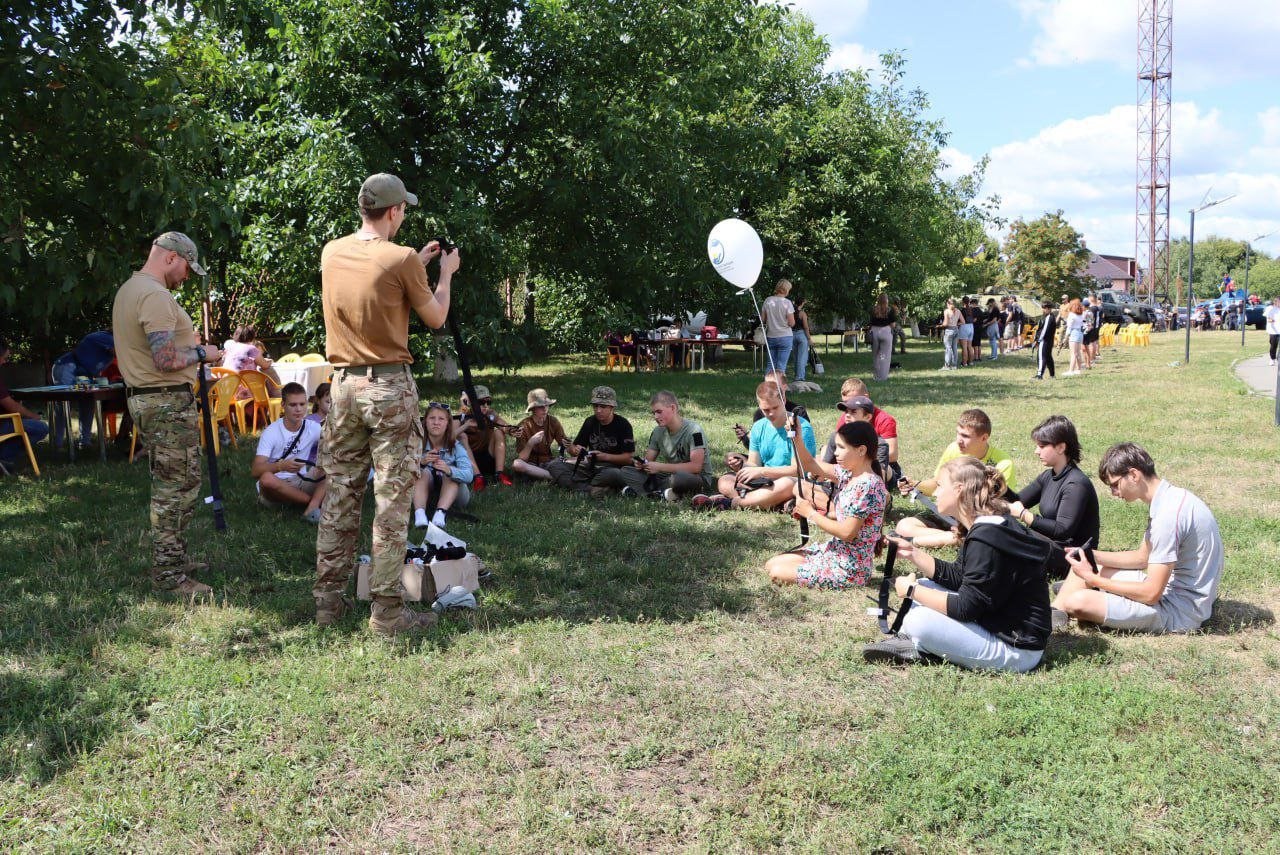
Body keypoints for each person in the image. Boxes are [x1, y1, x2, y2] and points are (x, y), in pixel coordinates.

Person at [313, 172, 459, 635]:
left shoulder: (333, 251)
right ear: (394, 211)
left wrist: (411, 263)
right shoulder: (400, 261)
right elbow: (435, 317)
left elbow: (371, 287)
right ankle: (387, 614)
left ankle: (327, 605)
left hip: (342, 389)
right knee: (391, 502)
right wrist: (443, 274)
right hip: (389, 390)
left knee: (340, 496)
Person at [110, 232, 223, 596]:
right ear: (172, 257)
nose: (187, 276)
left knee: (180, 483)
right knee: (173, 490)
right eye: (188, 267)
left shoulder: (131, 288)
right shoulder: (155, 296)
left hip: (154, 401)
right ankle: (169, 576)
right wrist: (204, 353)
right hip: (165, 404)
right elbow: (165, 360)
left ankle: (174, 559)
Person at [862, 457, 1052, 671]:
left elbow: (965, 607)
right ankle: (924, 644)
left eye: (940, 486)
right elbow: (960, 578)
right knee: (924, 589)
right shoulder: (988, 523)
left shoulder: (986, 538)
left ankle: (923, 644)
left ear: (959, 489)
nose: (934, 493)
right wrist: (913, 554)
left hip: (1016, 650)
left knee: (918, 619)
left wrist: (911, 591)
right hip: (998, 625)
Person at [1053, 443, 1223, 635]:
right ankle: (1056, 612)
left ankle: (1075, 596)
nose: (1114, 493)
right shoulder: (1171, 498)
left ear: (1134, 475)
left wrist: (1093, 579)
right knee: (1087, 563)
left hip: (1178, 612)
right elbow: (1142, 558)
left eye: (1115, 485)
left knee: (1078, 601)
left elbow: (1151, 594)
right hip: (1173, 593)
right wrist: (1090, 555)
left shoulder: (1167, 517)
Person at [764, 419, 886, 589]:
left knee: (777, 572)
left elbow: (847, 533)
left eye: (842, 448)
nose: (836, 453)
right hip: (834, 553)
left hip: (849, 570)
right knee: (772, 564)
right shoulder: (849, 474)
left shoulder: (868, 485)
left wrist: (810, 513)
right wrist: (797, 437)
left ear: (861, 450)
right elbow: (809, 464)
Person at [895, 408, 1016, 549]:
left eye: (965, 436)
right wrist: (915, 484)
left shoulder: (1002, 463)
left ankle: (961, 536)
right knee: (904, 526)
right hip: (951, 513)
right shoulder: (953, 449)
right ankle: (958, 538)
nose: (959, 440)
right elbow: (936, 485)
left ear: (984, 438)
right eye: (958, 433)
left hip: (978, 519)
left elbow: (995, 504)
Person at [695, 382, 816, 511]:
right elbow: (754, 463)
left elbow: (798, 471)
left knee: (786, 484)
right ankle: (774, 503)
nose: (771, 414)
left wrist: (761, 471)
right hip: (764, 482)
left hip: (792, 481)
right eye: (766, 410)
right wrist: (741, 466)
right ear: (759, 406)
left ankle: (730, 502)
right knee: (724, 481)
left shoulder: (800, 427)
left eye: (775, 408)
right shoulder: (759, 426)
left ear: (784, 400)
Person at [1007, 415, 1099, 580]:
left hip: (1071, 558)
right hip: (1052, 547)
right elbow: (1017, 501)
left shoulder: (1076, 484)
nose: (1037, 451)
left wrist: (1024, 515)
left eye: (1042, 446)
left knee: (1011, 531)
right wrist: (998, 486)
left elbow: (1062, 530)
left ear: (1061, 447)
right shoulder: (1048, 476)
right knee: (1003, 526)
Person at [595, 390, 714, 500]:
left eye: (659, 411)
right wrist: (641, 464)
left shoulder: (694, 431)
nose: (656, 417)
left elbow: (696, 467)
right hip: (669, 475)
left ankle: (651, 491)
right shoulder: (658, 431)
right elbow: (648, 460)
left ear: (672, 408)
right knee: (626, 471)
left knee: (678, 479)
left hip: (695, 478)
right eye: (654, 413)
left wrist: (659, 466)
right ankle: (664, 493)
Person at [251, 382, 327, 522]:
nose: (298, 409)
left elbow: (334, 444)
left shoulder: (313, 427)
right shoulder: (271, 432)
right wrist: (281, 466)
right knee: (266, 478)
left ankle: (310, 509)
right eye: (293, 405)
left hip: (301, 480)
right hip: (276, 486)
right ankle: (312, 502)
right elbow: (255, 470)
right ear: (283, 405)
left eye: (302, 404)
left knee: (334, 467)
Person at [546, 386, 636, 496]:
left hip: (612, 467)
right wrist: (571, 447)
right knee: (554, 465)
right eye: (595, 406)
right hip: (591, 466)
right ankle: (592, 489)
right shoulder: (590, 422)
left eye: (603, 406)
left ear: (612, 407)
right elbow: (576, 451)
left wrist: (604, 456)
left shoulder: (623, 425)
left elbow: (628, 459)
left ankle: (579, 485)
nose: (598, 410)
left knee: (615, 474)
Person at [412, 401, 475, 530]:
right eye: (432, 418)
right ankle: (420, 514)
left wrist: (449, 470)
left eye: (441, 419)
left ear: (447, 424)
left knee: (449, 474)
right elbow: (400, 471)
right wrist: (421, 463)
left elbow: (469, 475)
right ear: (425, 422)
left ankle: (440, 514)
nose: (436, 422)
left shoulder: (456, 446)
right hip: (425, 493)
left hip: (456, 497)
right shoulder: (415, 444)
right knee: (421, 472)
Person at [821, 378, 900, 481]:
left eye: (853, 407)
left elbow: (892, 455)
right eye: (845, 405)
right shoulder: (847, 418)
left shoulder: (884, 420)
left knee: (878, 467)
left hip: (882, 466)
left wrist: (859, 456)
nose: (847, 411)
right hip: (852, 463)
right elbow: (839, 445)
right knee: (824, 451)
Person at [730, 370, 809, 466]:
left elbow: (801, 459)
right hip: (764, 463)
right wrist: (745, 437)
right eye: (766, 410)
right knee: (730, 457)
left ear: (784, 387)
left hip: (790, 465)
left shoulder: (798, 412)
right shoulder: (759, 415)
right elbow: (757, 448)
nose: (771, 413)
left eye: (774, 385)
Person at [51, 330, 115, 448]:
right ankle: (57, 443)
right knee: (63, 404)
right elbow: (122, 352)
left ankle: (85, 442)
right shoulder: (108, 337)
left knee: (88, 401)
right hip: (67, 367)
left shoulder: (113, 340)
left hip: (84, 373)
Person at [0, 338, 52, 470]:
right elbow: (11, 406)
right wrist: (34, 416)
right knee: (41, 428)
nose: (5, 362)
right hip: (3, 423)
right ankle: (5, 458)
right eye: (4, 358)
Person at [458, 385, 514, 486]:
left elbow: (503, 425)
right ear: (470, 402)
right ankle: (478, 478)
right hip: (470, 462)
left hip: (488, 457)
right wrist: (463, 408)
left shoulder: (490, 414)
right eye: (481, 402)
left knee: (498, 432)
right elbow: (453, 432)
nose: (485, 405)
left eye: (488, 402)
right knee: (461, 435)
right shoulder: (464, 416)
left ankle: (499, 474)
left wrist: (511, 430)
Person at [510, 388, 567, 481]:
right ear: (533, 409)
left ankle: (548, 475)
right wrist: (531, 443)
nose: (545, 409)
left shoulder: (553, 422)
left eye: (546, 405)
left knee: (570, 462)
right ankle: (553, 477)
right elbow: (522, 458)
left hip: (548, 462)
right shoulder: (524, 426)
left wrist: (572, 447)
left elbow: (564, 443)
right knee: (517, 464)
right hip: (530, 465)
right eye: (540, 406)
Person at [760, 279, 796, 377]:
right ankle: (779, 390)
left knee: (770, 365)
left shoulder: (768, 301)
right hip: (785, 336)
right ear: (786, 290)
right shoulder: (787, 303)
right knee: (781, 367)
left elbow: (762, 320)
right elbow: (792, 323)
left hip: (771, 336)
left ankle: (768, 389)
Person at [868, 293, 895, 381]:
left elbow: (870, 322)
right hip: (886, 331)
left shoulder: (873, 309)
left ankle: (876, 376)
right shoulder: (890, 310)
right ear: (887, 300)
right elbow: (893, 325)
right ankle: (883, 377)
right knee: (884, 356)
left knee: (875, 355)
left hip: (874, 332)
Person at [1033, 301, 1058, 380]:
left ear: (1047, 308)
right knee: (1048, 358)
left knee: (1041, 357)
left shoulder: (1049, 317)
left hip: (1045, 340)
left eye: (1043, 308)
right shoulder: (1049, 317)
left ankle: (1039, 375)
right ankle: (1052, 375)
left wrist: (1038, 340)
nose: (1042, 310)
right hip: (1048, 341)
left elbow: (1044, 330)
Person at [791, 298, 814, 382]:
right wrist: (809, 339)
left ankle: (796, 375)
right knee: (802, 357)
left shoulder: (790, 313)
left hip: (792, 335)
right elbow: (806, 327)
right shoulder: (802, 313)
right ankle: (800, 377)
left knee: (796, 357)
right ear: (802, 303)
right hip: (801, 335)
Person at [1063, 298, 1085, 375]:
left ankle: (1071, 371)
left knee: (1073, 353)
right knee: (1078, 352)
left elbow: (1069, 327)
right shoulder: (1081, 314)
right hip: (1080, 333)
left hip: (1074, 333)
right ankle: (1078, 369)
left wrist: (1065, 337)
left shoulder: (1071, 315)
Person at [940, 298, 960, 370]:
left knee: (948, 348)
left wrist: (940, 326)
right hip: (956, 329)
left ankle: (947, 365)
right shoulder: (958, 311)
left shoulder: (946, 311)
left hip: (949, 330)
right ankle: (954, 365)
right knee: (954, 348)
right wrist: (955, 324)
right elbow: (963, 322)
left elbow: (945, 323)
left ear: (948, 304)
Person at [958, 296, 977, 367]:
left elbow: (961, 321)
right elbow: (975, 319)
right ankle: (971, 362)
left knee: (964, 347)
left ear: (963, 302)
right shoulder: (972, 309)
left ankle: (964, 363)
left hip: (964, 327)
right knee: (969, 346)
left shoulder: (962, 310)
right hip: (971, 327)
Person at [1265, 296, 1280, 366]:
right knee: (1274, 345)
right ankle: (1272, 358)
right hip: (1273, 331)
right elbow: (1268, 319)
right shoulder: (1270, 309)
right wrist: (1272, 320)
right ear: (1276, 302)